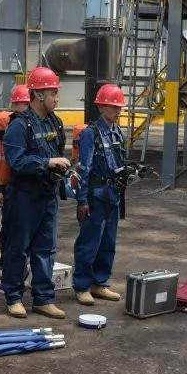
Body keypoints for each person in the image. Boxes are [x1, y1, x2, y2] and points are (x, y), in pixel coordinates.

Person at [0, 66, 71, 319]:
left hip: (47, 195)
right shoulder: (19, 125)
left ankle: (43, 298)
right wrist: (47, 163)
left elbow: (58, 152)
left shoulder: (55, 122)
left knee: (46, 249)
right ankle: (14, 297)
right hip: (23, 197)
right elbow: (16, 161)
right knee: (18, 249)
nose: (57, 98)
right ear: (39, 95)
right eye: (53, 93)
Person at [72, 83, 126, 306]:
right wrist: (82, 200)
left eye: (119, 107)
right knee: (89, 242)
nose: (117, 110)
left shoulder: (117, 132)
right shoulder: (90, 134)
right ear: (101, 107)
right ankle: (82, 286)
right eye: (113, 106)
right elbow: (83, 168)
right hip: (95, 196)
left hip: (113, 195)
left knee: (108, 242)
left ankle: (100, 282)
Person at [0, 84, 31, 273]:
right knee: (9, 227)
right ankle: (6, 264)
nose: (25, 108)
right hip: (9, 187)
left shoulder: (33, 125)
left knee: (27, 229)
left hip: (28, 186)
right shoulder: (8, 125)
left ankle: (23, 264)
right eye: (22, 104)